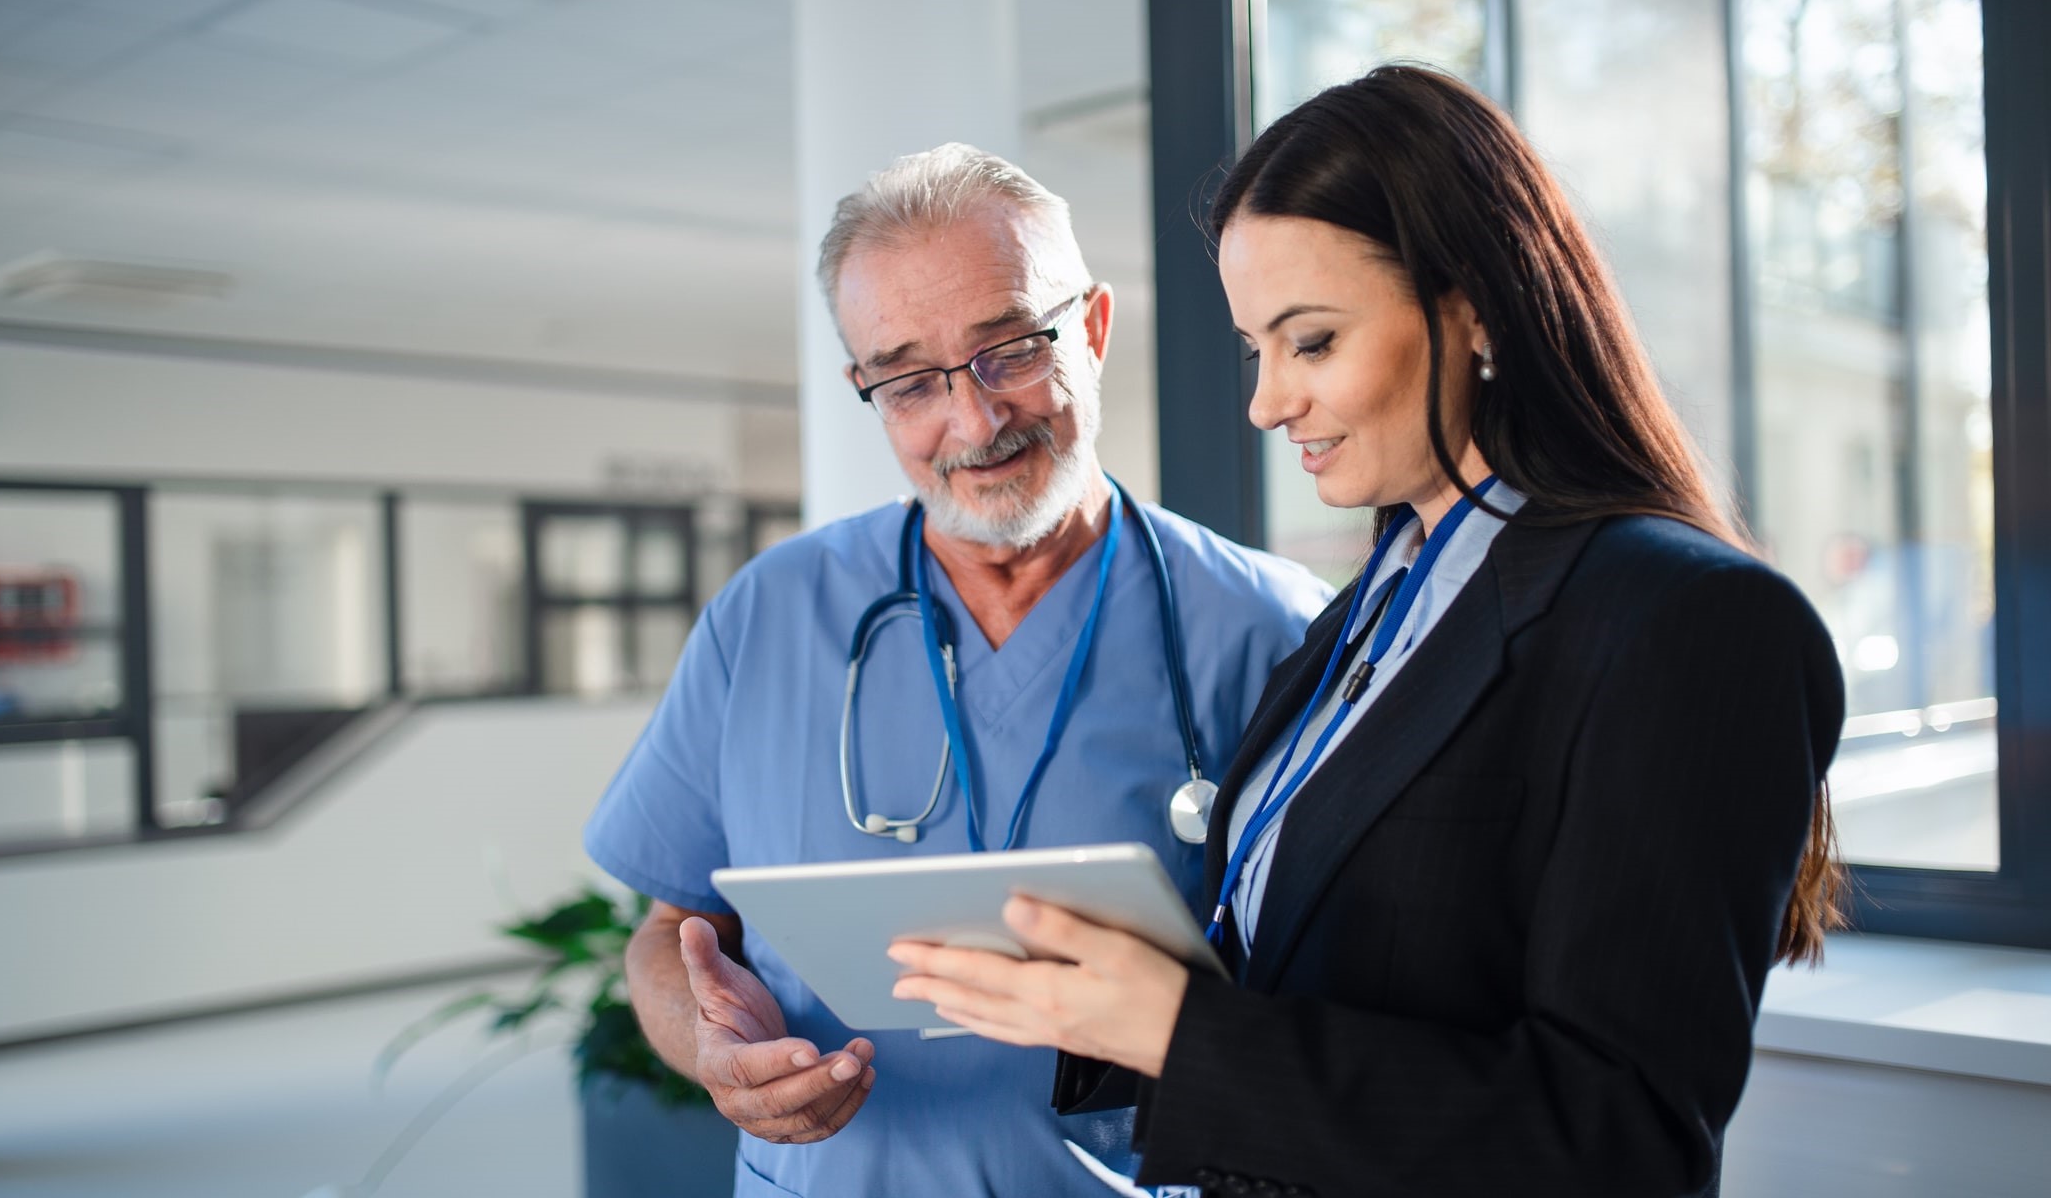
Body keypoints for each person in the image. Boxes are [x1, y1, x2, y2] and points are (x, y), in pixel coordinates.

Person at [888, 66, 1847, 1198]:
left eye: (1313, 342)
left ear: (1477, 305)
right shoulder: (1374, 602)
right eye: (1257, 349)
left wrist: (1181, 1032)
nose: (1266, 402)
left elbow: (1620, 1140)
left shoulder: (1683, 619)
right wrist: (1110, 991)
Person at [583, 143, 1331, 1197]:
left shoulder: (1269, 628)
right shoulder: (768, 615)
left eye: (1011, 349)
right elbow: (673, 930)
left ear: (1095, 329)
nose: (974, 421)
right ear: (866, 389)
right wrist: (709, 1045)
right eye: (910, 381)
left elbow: (1344, 995)